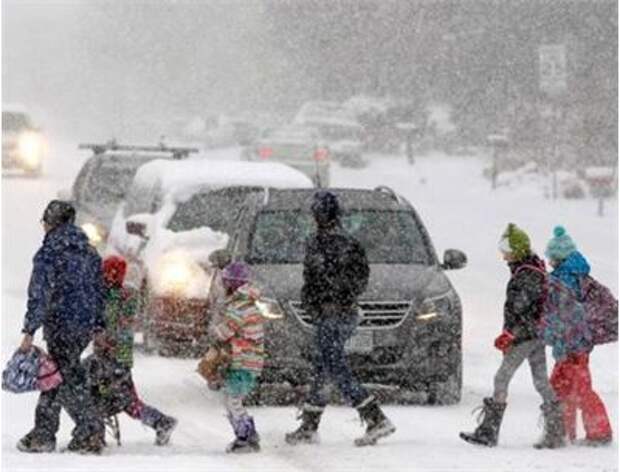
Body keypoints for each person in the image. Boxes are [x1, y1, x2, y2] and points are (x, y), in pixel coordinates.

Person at [285, 190, 395, 447]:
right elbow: (344, 280)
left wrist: (328, 298)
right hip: (334, 313)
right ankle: (309, 426)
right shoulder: (335, 242)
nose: (317, 217)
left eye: (318, 213)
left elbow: (342, 280)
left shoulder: (332, 244)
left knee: (334, 367)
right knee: (325, 367)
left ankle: (375, 417)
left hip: (335, 314)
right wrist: (316, 301)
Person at [460, 223, 564, 449]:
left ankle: (489, 431)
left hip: (524, 336)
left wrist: (510, 334)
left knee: (501, 378)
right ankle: (556, 430)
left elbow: (520, 308)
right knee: (540, 381)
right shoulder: (531, 268)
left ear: (516, 249)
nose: (502, 254)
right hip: (536, 334)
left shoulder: (526, 274)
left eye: (505, 249)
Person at [17, 200, 106, 454]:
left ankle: (83, 431)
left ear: (51, 223)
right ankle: (52, 432)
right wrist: (99, 325)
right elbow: (99, 292)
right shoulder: (89, 252)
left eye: (44, 221)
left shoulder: (49, 253)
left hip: (59, 324)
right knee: (61, 376)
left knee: (61, 379)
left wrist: (29, 330)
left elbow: (40, 294)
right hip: (83, 327)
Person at [88, 255, 177, 446]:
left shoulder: (120, 297)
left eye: (106, 273)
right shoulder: (113, 295)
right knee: (117, 397)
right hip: (111, 356)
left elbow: (117, 326)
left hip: (114, 357)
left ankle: (160, 422)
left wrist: (103, 335)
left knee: (119, 399)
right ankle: (159, 421)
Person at [544, 226, 613, 446]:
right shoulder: (579, 275)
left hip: (572, 347)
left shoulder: (563, 280)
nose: (549, 261)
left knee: (575, 389)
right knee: (565, 387)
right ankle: (565, 431)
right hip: (579, 345)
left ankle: (597, 433)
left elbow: (564, 317)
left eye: (551, 256)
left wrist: (555, 337)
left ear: (558, 256)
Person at [209, 261, 265, 453]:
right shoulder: (247, 304)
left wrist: (214, 330)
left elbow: (225, 332)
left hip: (243, 362)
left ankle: (245, 436)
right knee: (232, 399)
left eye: (225, 284)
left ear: (232, 285)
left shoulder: (239, 307)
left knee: (232, 400)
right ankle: (247, 433)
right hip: (248, 361)